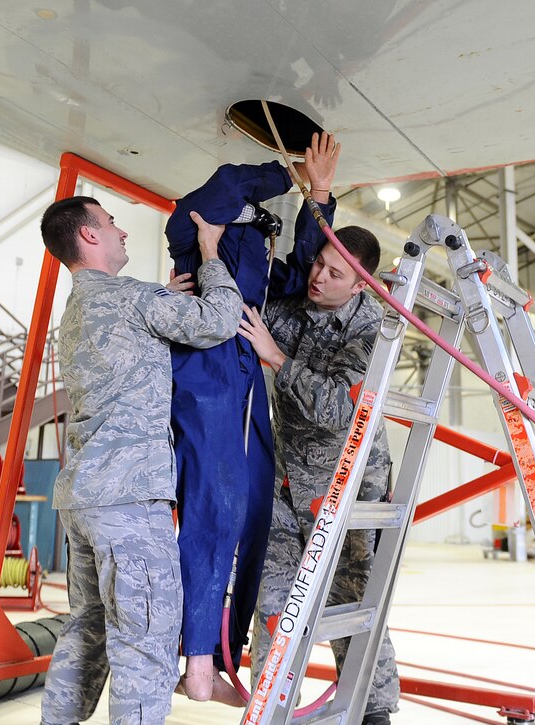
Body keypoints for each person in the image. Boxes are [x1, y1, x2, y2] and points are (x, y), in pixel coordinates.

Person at [39, 196, 243, 725]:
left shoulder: (80, 309)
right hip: (129, 501)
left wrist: (157, 300)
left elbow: (138, 330)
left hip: (83, 498)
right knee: (145, 641)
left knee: (86, 627)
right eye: (110, 224)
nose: (122, 232)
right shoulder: (133, 299)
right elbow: (217, 321)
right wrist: (210, 252)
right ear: (88, 237)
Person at [163, 134, 340, 704]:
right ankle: (194, 661)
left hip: (245, 386)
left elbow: (304, 275)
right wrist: (288, 173)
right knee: (213, 513)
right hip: (205, 380)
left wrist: (321, 192)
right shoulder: (191, 229)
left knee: (255, 514)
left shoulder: (259, 253)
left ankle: (221, 657)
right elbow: (227, 183)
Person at [238, 212, 401, 723]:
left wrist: (277, 359)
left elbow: (339, 408)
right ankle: (270, 705)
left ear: (360, 286)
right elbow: (247, 308)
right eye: (320, 265)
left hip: (346, 490)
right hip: (288, 486)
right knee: (273, 599)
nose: (319, 278)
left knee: (348, 602)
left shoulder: (372, 331)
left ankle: (374, 711)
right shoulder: (294, 312)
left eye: (335, 275)